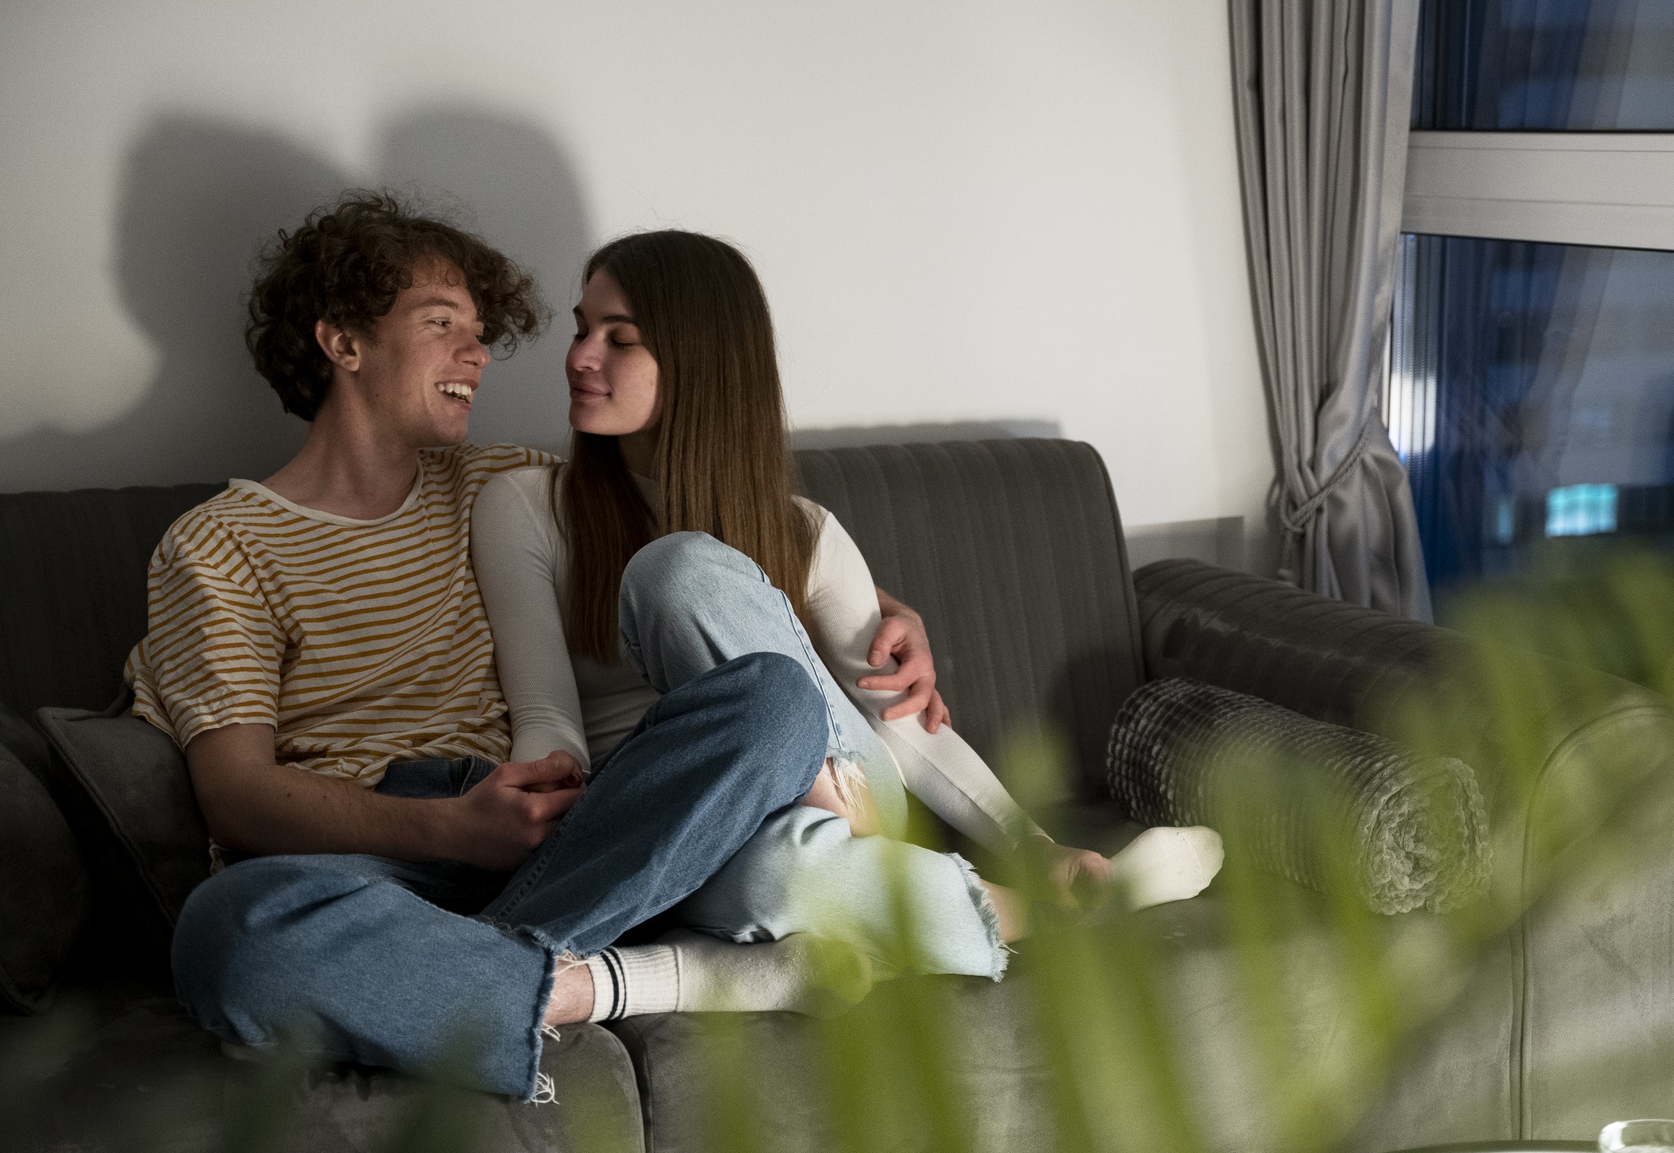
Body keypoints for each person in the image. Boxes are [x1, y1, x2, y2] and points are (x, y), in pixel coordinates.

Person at [131, 193, 951, 1101]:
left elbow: (701, 519)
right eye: (443, 325)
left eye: (481, 332)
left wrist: (875, 603)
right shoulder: (219, 543)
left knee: (775, 700)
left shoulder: (503, 483)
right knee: (226, 931)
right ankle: (655, 977)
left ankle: (453, 983)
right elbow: (235, 798)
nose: (478, 355)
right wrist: (449, 829)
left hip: (575, 833)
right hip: (379, 856)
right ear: (343, 342)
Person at [471, 229, 1224, 985]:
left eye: (619, 339)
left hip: (847, 784)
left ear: (700, 360)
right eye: (581, 329)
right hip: (669, 822)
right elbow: (548, 716)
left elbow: (905, 721)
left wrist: (1035, 840)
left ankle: (843, 805)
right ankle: (1060, 905)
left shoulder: (804, 529)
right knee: (776, 878)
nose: (579, 356)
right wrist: (555, 825)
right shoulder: (526, 507)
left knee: (678, 569)